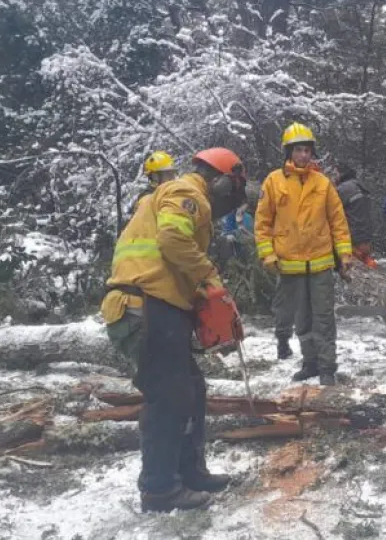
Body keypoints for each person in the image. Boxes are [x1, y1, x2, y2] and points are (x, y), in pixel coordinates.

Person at [100, 147, 247, 512]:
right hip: (144, 305)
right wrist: (209, 279)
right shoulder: (188, 193)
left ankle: (190, 472)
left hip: (156, 304)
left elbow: (171, 256)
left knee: (191, 390)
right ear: (223, 181)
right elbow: (171, 240)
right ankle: (160, 489)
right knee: (167, 397)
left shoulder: (174, 194)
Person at [255, 122, 353, 384]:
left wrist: (345, 255)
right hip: (289, 266)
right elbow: (262, 223)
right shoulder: (274, 182)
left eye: (308, 150)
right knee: (302, 320)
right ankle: (310, 363)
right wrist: (268, 255)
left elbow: (338, 221)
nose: (304, 155)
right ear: (289, 151)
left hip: (320, 265)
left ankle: (327, 368)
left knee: (324, 319)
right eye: (299, 150)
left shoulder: (322, 183)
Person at [336, 167, 377, 268]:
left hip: (353, 235)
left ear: (342, 174)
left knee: (355, 268)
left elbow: (332, 212)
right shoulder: (361, 186)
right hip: (366, 233)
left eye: (336, 173)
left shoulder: (342, 189)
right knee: (367, 263)